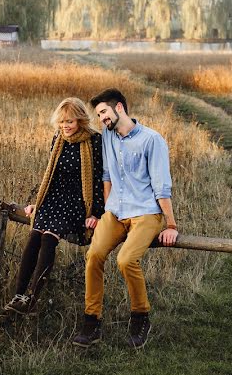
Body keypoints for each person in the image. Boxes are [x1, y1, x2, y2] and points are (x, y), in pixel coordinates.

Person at [72, 88, 178, 350]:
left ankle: (141, 317)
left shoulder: (152, 140)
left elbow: (161, 187)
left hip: (145, 213)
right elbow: (107, 175)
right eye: (98, 115)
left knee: (126, 259)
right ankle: (92, 320)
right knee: (94, 255)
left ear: (119, 107)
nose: (102, 119)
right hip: (116, 212)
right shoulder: (108, 136)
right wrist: (107, 208)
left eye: (104, 112)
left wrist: (171, 225)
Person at [3, 97, 104, 315]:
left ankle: (32, 299)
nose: (65, 126)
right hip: (52, 198)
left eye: (70, 121)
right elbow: (50, 175)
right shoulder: (58, 139)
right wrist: (36, 203)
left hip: (77, 201)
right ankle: (18, 295)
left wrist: (97, 213)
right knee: (34, 237)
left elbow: (98, 180)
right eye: (61, 121)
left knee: (48, 238)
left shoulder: (95, 141)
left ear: (80, 120)